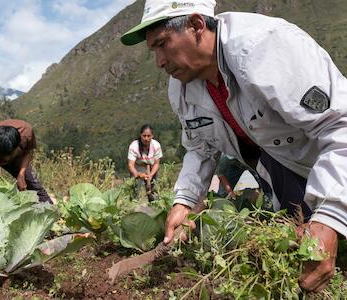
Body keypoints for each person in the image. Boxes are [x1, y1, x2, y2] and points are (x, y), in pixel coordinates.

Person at [121, 0, 347, 292]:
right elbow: (200, 148)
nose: (159, 61)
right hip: (281, 164)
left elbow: (339, 126)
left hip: (332, 156)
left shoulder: (265, 49)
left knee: (328, 230)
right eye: (154, 50)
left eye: (163, 44)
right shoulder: (182, 87)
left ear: (197, 25)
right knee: (304, 259)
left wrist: (329, 215)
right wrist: (185, 201)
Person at [128, 124, 163, 201]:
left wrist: (151, 175)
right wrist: (138, 174)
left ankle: (154, 205)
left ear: (152, 136)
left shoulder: (156, 145)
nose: (146, 138)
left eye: (148, 136)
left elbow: (157, 163)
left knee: (154, 189)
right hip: (138, 167)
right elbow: (131, 165)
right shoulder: (134, 146)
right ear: (140, 135)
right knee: (135, 188)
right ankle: (134, 203)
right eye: (144, 136)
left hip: (152, 167)